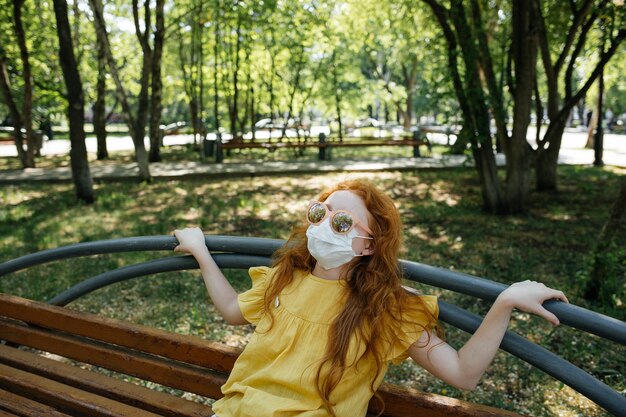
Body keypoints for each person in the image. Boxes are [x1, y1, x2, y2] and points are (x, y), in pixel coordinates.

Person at [173, 179, 568, 417]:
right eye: (319, 213)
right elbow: (230, 310)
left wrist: (504, 302)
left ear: (367, 245)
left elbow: (463, 374)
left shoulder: (386, 309)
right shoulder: (285, 279)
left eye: (342, 223)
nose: (325, 226)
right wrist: (202, 252)